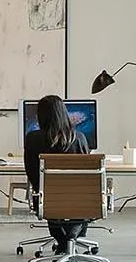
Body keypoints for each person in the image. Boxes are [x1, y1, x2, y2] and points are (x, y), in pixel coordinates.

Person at [23, 94, 91, 251]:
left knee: (51, 199)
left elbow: (31, 172)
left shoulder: (32, 139)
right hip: (81, 202)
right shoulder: (80, 138)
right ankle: (72, 239)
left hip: (47, 200)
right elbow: (87, 177)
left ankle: (63, 242)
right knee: (79, 200)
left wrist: (39, 188)